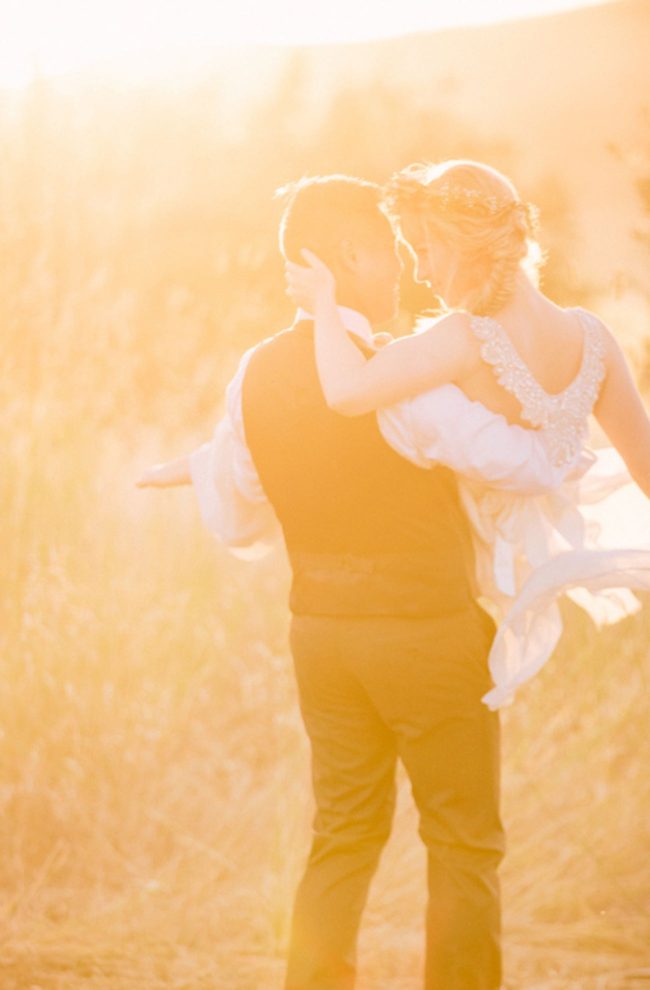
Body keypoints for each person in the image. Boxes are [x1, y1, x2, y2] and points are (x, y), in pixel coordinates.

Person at [137, 172, 639, 990]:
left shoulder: (253, 374)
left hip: (321, 640)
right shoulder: (407, 380)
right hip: (428, 637)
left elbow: (239, 505)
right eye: (391, 250)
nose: (406, 269)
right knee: (464, 842)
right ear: (346, 257)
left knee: (341, 834)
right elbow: (514, 461)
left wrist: (189, 470)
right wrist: (561, 438)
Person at [285, 159, 650, 709]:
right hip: (524, 550)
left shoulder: (462, 339)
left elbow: (345, 391)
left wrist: (324, 304)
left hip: (444, 583)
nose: (420, 273)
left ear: (462, 244)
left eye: (424, 251)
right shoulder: (593, 338)